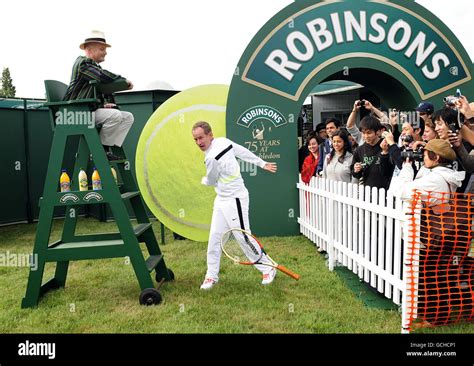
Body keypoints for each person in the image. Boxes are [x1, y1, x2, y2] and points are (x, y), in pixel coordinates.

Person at [192, 121, 278, 289]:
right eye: (195, 139)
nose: (199, 142)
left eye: (201, 138)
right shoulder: (221, 143)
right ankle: (211, 276)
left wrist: (261, 163)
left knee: (243, 237)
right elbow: (242, 152)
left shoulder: (214, 154)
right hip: (221, 200)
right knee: (215, 237)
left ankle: (267, 268)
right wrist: (261, 163)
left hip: (236, 199)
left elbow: (211, 180)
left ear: (210, 135)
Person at [64, 30, 134, 160]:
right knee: (115, 116)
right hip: (75, 113)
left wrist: (103, 104)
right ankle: (100, 151)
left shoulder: (93, 66)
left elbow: (96, 88)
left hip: (86, 111)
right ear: (90, 49)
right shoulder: (83, 63)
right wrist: (123, 80)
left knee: (128, 117)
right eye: (102, 49)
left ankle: (109, 147)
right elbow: (101, 76)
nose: (105, 52)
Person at [351, 116, 394, 189]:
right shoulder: (359, 150)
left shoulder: (387, 145)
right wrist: (356, 169)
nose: (366, 136)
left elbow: (390, 170)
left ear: (378, 132)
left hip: (387, 191)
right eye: (363, 133)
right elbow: (356, 175)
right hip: (368, 192)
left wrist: (385, 152)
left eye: (369, 133)